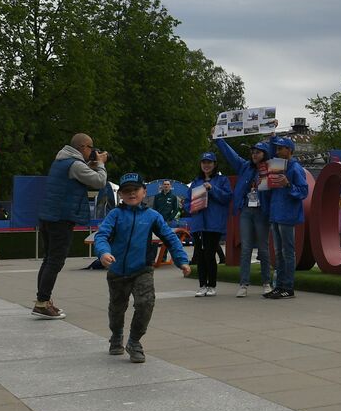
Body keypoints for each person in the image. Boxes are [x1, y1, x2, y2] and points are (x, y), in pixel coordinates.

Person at [94, 172, 191, 363]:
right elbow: (101, 235)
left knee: (146, 303)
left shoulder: (152, 216)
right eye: (126, 191)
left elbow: (170, 238)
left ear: (144, 192)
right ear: (120, 195)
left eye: (135, 190)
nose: (131, 194)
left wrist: (182, 260)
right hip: (117, 271)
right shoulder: (115, 214)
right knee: (117, 309)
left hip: (142, 270)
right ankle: (116, 336)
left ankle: (134, 341)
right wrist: (103, 253)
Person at [35, 133, 109, 319]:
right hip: (61, 218)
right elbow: (100, 182)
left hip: (49, 217)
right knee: (55, 261)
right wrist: (100, 164)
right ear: (83, 147)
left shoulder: (61, 161)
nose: (93, 151)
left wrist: (90, 166)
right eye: (91, 147)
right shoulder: (75, 164)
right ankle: (42, 304)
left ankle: (44, 301)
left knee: (48, 259)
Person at [214, 137, 272, 296]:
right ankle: (243, 284)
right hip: (246, 210)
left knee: (263, 248)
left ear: (265, 154)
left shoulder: (269, 167)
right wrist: (219, 140)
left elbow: (276, 152)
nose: (254, 155)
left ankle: (267, 282)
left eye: (258, 152)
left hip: (262, 211)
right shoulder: (245, 166)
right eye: (252, 152)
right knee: (246, 247)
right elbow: (231, 155)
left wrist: (273, 136)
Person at [263, 137, 309, 299]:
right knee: (279, 253)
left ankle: (288, 287)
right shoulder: (277, 166)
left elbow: (304, 191)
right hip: (276, 214)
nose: (277, 151)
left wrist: (289, 184)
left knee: (287, 252)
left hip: (287, 215)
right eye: (276, 148)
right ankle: (279, 286)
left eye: (280, 148)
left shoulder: (295, 168)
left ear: (289, 150)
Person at [189, 152, 232, 297]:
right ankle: (202, 285)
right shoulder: (195, 182)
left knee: (210, 254)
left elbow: (227, 197)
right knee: (200, 255)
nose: (206, 165)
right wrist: (189, 207)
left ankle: (212, 285)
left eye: (209, 162)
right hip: (198, 223)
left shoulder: (222, 180)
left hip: (214, 223)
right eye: (204, 162)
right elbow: (188, 201)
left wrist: (212, 189)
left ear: (214, 164)